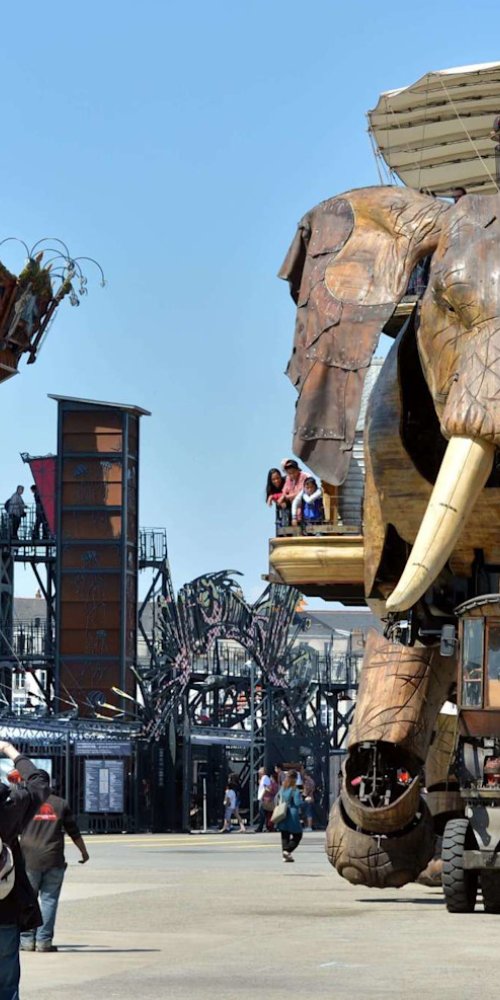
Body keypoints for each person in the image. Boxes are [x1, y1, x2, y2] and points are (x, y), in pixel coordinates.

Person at [0, 740, 50, 997]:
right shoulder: (10, 805)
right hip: (4, 907)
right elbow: (39, 783)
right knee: (7, 984)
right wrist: (10, 751)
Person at [20, 773, 89, 953]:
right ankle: (43, 941)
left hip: (28, 859)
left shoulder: (25, 802)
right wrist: (83, 852)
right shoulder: (60, 804)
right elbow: (73, 831)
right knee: (49, 900)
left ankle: (26, 940)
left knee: (28, 900)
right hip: (53, 859)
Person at [274, 770, 304, 862]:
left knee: (285, 835)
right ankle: (287, 851)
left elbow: (276, 799)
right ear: (295, 779)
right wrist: (304, 799)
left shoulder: (282, 789)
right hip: (292, 814)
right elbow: (297, 803)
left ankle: (285, 856)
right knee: (298, 835)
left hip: (282, 813)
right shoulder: (295, 790)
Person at [254, 766, 274, 832]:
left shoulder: (265, 777)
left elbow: (267, 788)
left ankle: (261, 827)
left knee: (262, 813)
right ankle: (265, 826)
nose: (259, 771)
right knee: (263, 813)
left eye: (260, 770)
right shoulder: (263, 778)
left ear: (263, 772)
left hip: (263, 798)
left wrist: (263, 796)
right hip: (262, 798)